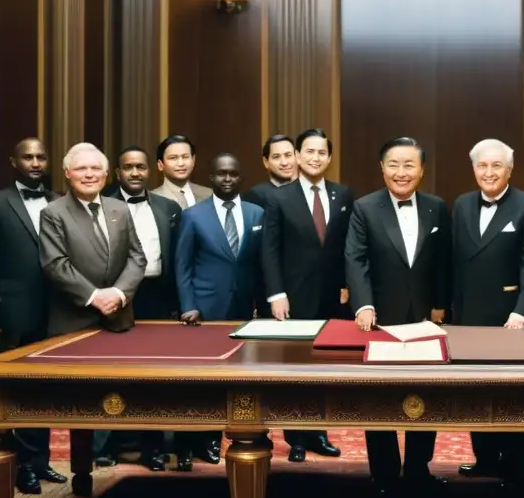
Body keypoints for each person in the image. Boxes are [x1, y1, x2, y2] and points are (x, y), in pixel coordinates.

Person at [345, 137, 451, 490]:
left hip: (424, 316)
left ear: (422, 170)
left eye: (409, 165)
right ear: (382, 168)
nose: (401, 172)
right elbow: (355, 259)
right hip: (379, 315)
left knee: (427, 393)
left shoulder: (437, 207)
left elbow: (441, 262)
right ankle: (384, 473)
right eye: (394, 164)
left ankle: (419, 468)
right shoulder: (364, 207)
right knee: (380, 396)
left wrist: (441, 305)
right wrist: (363, 304)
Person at [452, 138, 524, 481]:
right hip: (469, 317)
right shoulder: (461, 205)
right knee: (478, 391)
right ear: (474, 169)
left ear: (509, 170)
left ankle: (514, 464)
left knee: (513, 393)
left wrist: (522, 311)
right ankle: (486, 459)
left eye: (496, 166)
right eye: (482, 165)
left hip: (510, 318)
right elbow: (455, 262)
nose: (488, 172)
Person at [0, 138, 68, 493]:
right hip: (15, 310)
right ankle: (22, 465)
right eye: (27, 157)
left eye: (40, 157)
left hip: (58, 309)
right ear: (13, 161)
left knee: (45, 386)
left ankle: (40, 461)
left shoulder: (61, 200)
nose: (35, 162)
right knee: (19, 386)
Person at [262, 128, 348, 462]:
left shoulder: (343, 194)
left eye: (321, 152)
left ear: (329, 157)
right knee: (295, 369)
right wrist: (276, 294)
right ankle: (296, 437)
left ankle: (319, 433)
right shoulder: (279, 198)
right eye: (308, 152)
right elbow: (269, 252)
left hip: (332, 298)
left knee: (323, 369)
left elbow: (344, 247)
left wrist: (346, 285)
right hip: (293, 297)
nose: (315, 158)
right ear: (297, 155)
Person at [175, 153, 265, 470]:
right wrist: (188, 305)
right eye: (221, 174)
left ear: (241, 177)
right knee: (201, 382)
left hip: (243, 309)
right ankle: (194, 441)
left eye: (233, 174)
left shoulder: (257, 214)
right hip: (204, 310)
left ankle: (223, 437)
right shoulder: (193, 215)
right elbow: (182, 266)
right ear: (211, 178)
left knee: (235, 380)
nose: (227, 179)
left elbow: (259, 264)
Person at [108, 145, 183, 471]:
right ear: (117, 172)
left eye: (140, 167)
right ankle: (110, 445)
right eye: (128, 167)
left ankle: (153, 447)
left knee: (154, 375)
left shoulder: (168, 207)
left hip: (157, 297)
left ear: (150, 170)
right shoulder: (104, 203)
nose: (135, 173)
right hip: (116, 298)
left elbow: (178, 258)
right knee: (113, 373)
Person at [40, 142, 147, 337]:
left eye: (96, 168)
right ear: (67, 173)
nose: (89, 175)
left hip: (119, 320)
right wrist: (95, 297)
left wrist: (118, 294)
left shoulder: (120, 209)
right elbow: (55, 264)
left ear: (105, 175)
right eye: (81, 168)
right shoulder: (53, 213)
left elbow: (137, 257)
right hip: (73, 322)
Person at [153, 135, 211, 209]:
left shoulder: (209, 195)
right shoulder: (151, 200)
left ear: (193, 160)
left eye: (185, 157)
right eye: (173, 158)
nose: (181, 163)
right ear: (160, 165)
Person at [244, 134, 298, 209]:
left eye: (288, 155)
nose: (284, 163)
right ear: (266, 162)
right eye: (276, 157)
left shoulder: (307, 191)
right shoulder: (257, 195)